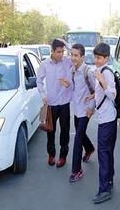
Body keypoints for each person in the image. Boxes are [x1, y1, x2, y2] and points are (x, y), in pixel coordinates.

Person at [37, 39, 72, 168]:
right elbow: (39, 81)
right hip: (51, 103)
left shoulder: (67, 62)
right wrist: (43, 95)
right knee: (50, 131)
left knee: (65, 131)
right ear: (52, 51)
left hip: (64, 103)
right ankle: (51, 154)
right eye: (58, 52)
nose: (61, 54)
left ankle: (63, 156)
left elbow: (75, 52)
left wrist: (64, 42)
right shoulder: (45, 64)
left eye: (63, 51)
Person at [91, 42, 117, 204]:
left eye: (100, 58)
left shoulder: (106, 73)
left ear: (107, 58)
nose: (97, 60)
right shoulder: (101, 71)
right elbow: (102, 92)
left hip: (107, 120)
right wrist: (93, 95)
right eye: (95, 57)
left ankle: (104, 189)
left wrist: (101, 80)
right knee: (107, 152)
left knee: (103, 153)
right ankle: (109, 181)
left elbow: (112, 94)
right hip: (107, 118)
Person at [68, 43, 96, 182]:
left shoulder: (88, 72)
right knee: (81, 133)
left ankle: (76, 170)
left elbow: (97, 91)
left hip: (86, 110)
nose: (73, 57)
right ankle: (90, 148)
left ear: (82, 57)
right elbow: (75, 89)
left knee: (78, 138)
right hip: (76, 109)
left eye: (76, 55)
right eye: (71, 54)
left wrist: (91, 107)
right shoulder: (73, 70)